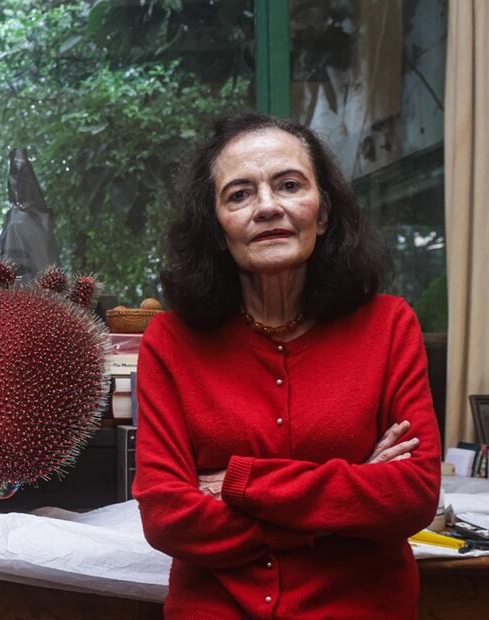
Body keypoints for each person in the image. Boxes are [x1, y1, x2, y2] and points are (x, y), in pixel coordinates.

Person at [133, 112, 441, 619]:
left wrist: (240, 483)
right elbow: (168, 518)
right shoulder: (170, 341)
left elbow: (410, 496)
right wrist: (348, 496)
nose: (268, 207)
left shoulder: (389, 326)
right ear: (216, 229)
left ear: (322, 214)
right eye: (239, 194)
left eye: (290, 185)